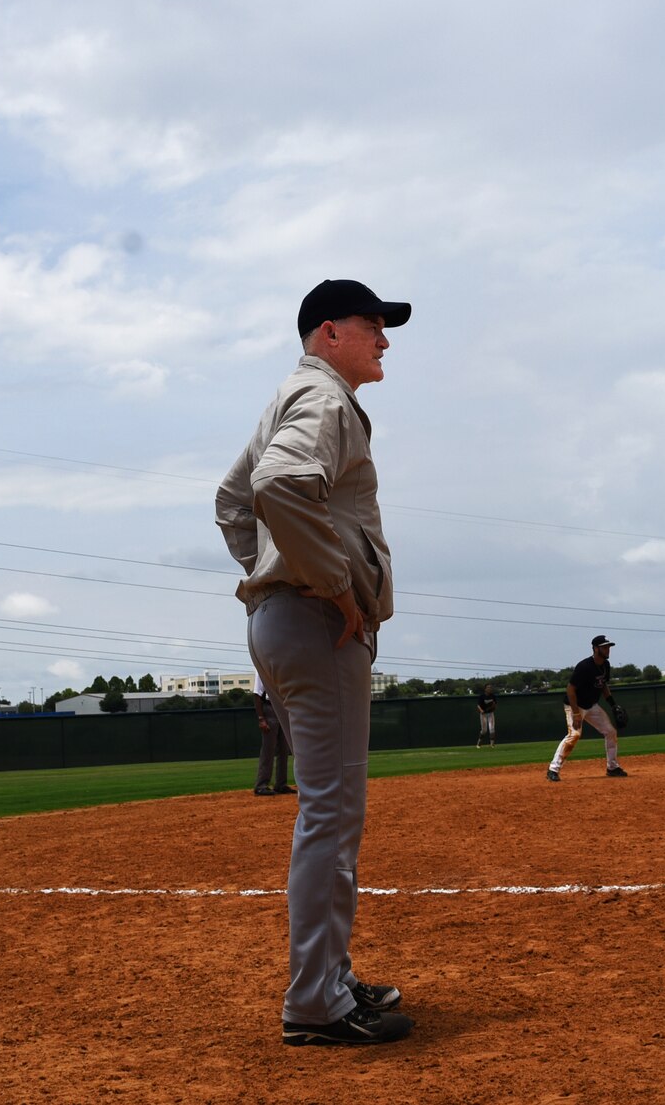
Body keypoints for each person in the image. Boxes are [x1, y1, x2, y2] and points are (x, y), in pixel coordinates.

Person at [215, 278, 414, 1046]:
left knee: (327, 810)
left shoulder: (294, 395)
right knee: (331, 812)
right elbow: (273, 485)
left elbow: (234, 500)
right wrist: (326, 582)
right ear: (329, 332)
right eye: (373, 326)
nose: (385, 340)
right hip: (315, 619)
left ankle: (328, 976)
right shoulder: (326, 399)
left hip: (285, 618)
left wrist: (271, 569)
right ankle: (316, 1002)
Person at [548, 635, 627, 781]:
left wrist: (612, 704)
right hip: (574, 706)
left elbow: (603, 685)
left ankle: (612, 767)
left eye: (608, 647)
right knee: (574, 735)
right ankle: (553, 769)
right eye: (604, 647)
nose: (607, 649)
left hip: (592, 706)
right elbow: (570, 689)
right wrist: (576, 713)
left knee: (610, 732)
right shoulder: (584, 666)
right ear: (596, 649)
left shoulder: (605, 665)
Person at [252, 690, 294, 796]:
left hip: (283, 707)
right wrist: (261, 718)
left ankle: (281, 784)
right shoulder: (262, 673)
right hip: (269, 708)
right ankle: (261, 785)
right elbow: (257, 694)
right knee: (268, 749)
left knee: (284, 749)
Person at [475, 683, 497, 747]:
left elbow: (495, 704)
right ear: (485, 689)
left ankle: (492, 744)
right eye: (488, 687)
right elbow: (478, 705)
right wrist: (481, 710)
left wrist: (493, 706)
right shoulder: (482, 696)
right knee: (484, 730)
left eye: (490, 687)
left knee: (492, 728)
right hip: (483, 714)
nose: (489, 688)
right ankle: (479, 743)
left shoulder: (493, 696)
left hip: (490, 713)